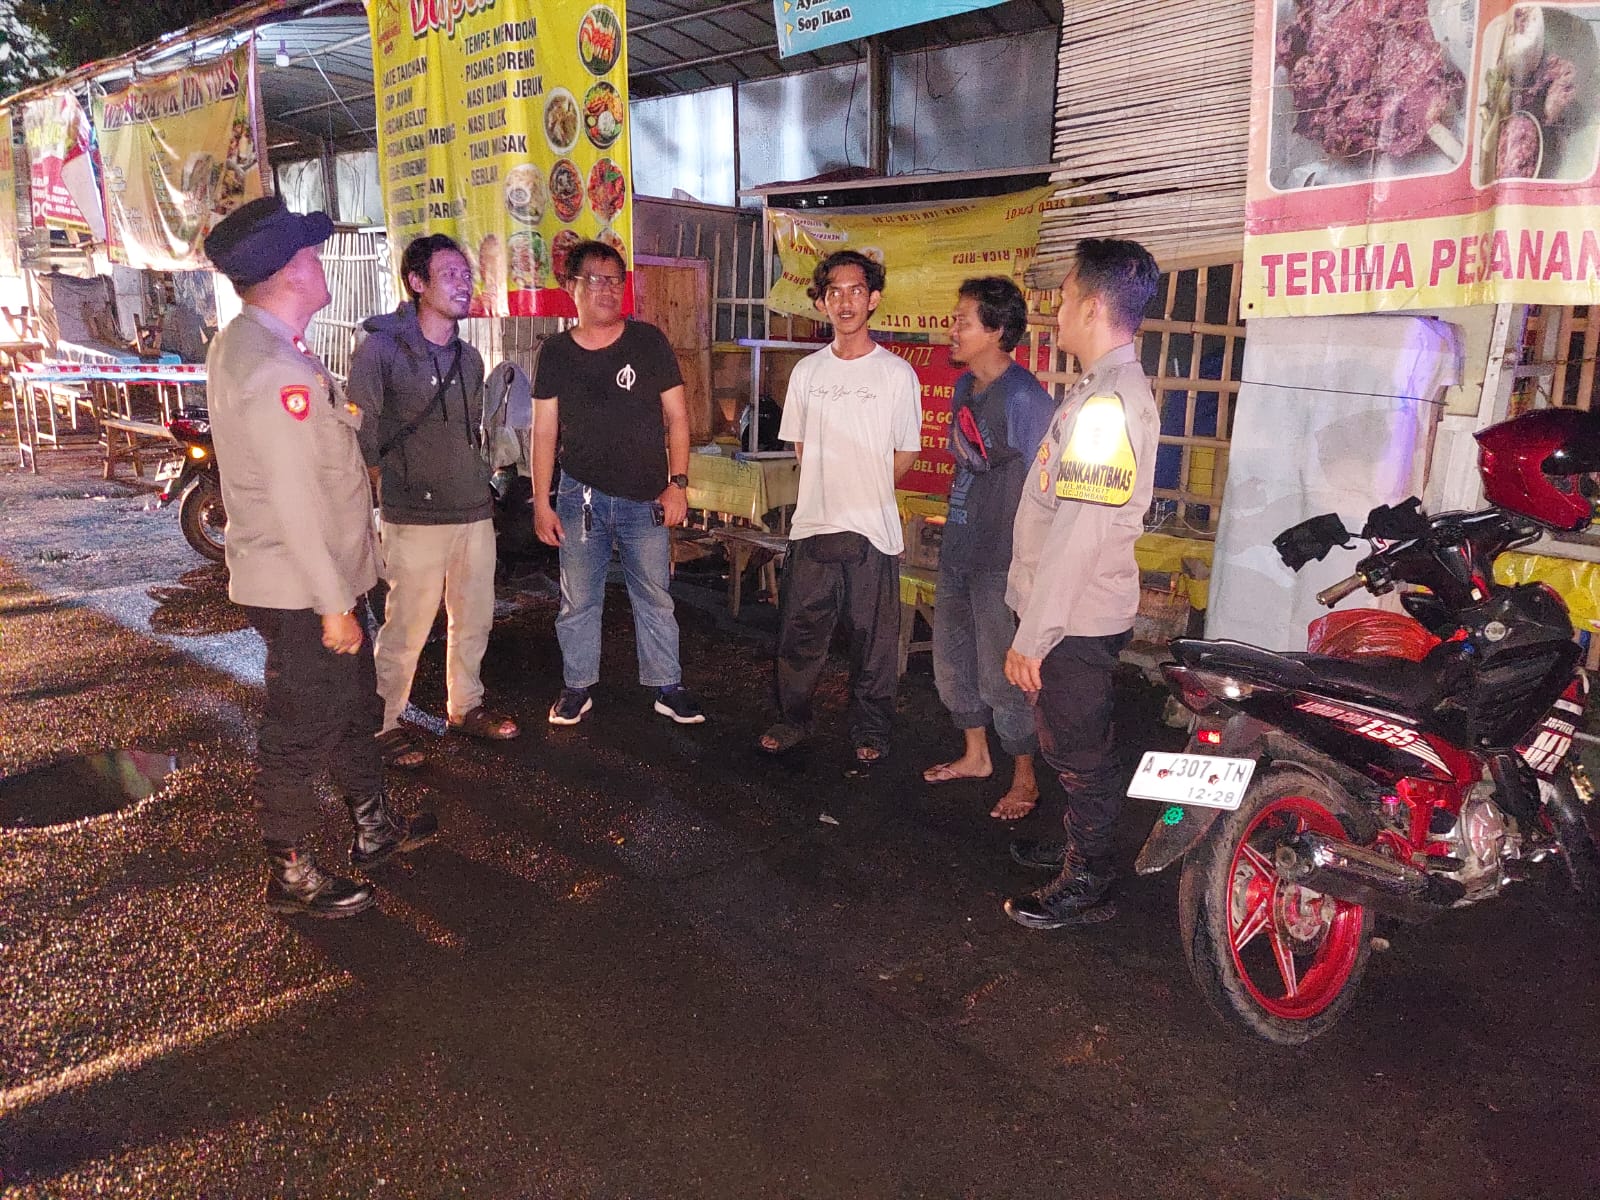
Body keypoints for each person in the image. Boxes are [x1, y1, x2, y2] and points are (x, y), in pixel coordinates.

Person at [203, 195, 436, 920]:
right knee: (302, 729)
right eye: (311, 254)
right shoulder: (277, 371)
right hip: (305, 589)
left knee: (352, 708)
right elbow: (294, 500)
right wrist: (335, 606)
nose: (321, 262)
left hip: (319, 580)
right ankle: (290, 872)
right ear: (287, 273)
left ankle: (374, 827)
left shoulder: (253, 342)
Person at [1001, 238, 1160, 930]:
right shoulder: (1099, 390)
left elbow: (1081, 530)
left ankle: (1090, 874)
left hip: (1073, 618)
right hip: (1069, 609)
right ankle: (1079, 842)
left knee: (1079, 748)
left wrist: (1035, 636)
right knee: (1068, 735)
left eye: (1065, 299)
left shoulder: (1108, 404)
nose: (1055, 311)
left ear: (1094, 308)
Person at [347, 233, 518, 770]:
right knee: (406, 627)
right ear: (417, 283)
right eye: (450, 274)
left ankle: (465, 706)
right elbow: (361, 435)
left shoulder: (470, 358)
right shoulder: (380, 351)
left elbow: (472, 433)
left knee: (475, 618)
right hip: (414, 516)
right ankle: (383, 721)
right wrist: (377, 497)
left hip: (473, 510)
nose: (463, 283)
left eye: (466, 274)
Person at [757, 250, 922, 771]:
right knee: (799, 632)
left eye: (855, 291)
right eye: (835, 292)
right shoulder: (807, 372)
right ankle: (792, 719)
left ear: (873, 300)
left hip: (872, 529)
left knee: (873, 640)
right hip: (813, 524)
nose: (845, 301)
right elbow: (801, 446)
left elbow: (906, 451)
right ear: (822, 302)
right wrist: (832, 489)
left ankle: (871, 729)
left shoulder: (896, 374)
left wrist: (865, 489)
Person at [531, 240, 705, 726]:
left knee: (655, 596)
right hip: (579, 497)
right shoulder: (555, 352)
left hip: (645, 498)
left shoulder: (648, 342)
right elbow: (544, 431)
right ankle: (576, 686)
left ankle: (667, 686)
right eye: (595, 279)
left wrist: (678, 483)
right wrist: (541, 502)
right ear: (572, 287)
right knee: (578, 599)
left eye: (614, 280)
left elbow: (678, 417)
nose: (607, 289)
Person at [921, 277, 1056, 819]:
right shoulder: (964, 388)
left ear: (997, 331)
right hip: (960, 546)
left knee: (1004, 672)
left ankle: (1025, 776)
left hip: (1003, 558)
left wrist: (1035, 566)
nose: (952, 329)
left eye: (963, 321)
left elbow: (1050, 486)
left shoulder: (1026, 399)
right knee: (953, 661)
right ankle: (976, 755)